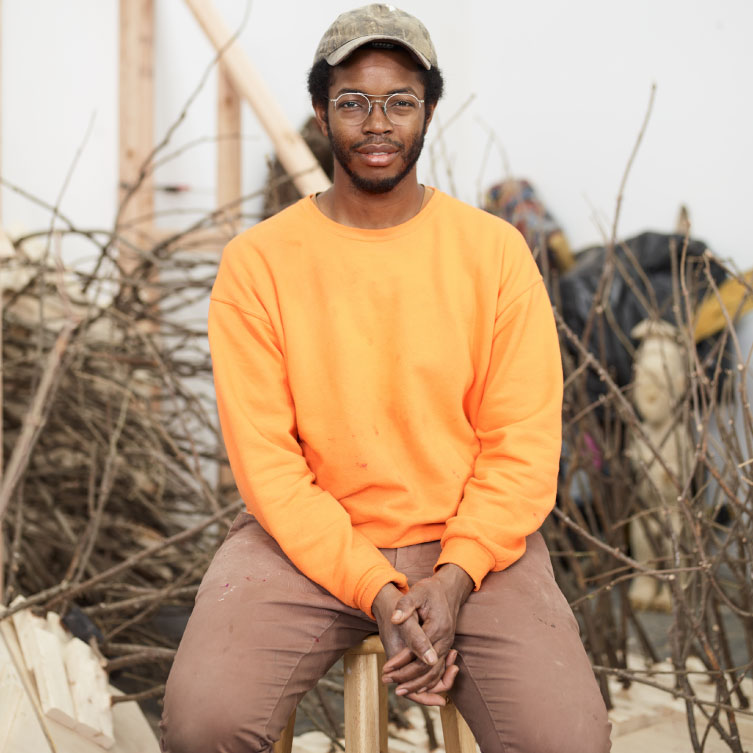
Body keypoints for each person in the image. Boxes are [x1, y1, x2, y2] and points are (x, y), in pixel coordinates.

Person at [160, 5, 612, 752]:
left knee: (567, 739)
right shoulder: (259, 263)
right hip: (301, 545)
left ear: (429, 110)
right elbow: (268, 465)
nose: (377, 123)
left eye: (399, 101)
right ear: (319, 111)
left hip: (472, 544)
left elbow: (520, 448)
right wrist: (377, 589)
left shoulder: (494, 254)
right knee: (203, 722)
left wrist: (454, 575)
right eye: (353, 102)